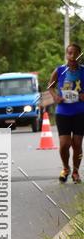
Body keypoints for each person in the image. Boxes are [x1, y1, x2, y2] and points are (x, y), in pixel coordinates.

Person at [48, 43, 84, 183]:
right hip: (63, 112)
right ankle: (65, 168)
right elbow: (50, 87)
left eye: (75, 53)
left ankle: (76, 171)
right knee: (64, 144)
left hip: (80, 112)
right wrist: (56, 97)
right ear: (66, 54)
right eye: (69, 53)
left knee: (77, 143)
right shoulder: (59, 70)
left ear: (80, 55)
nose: (72, 56)